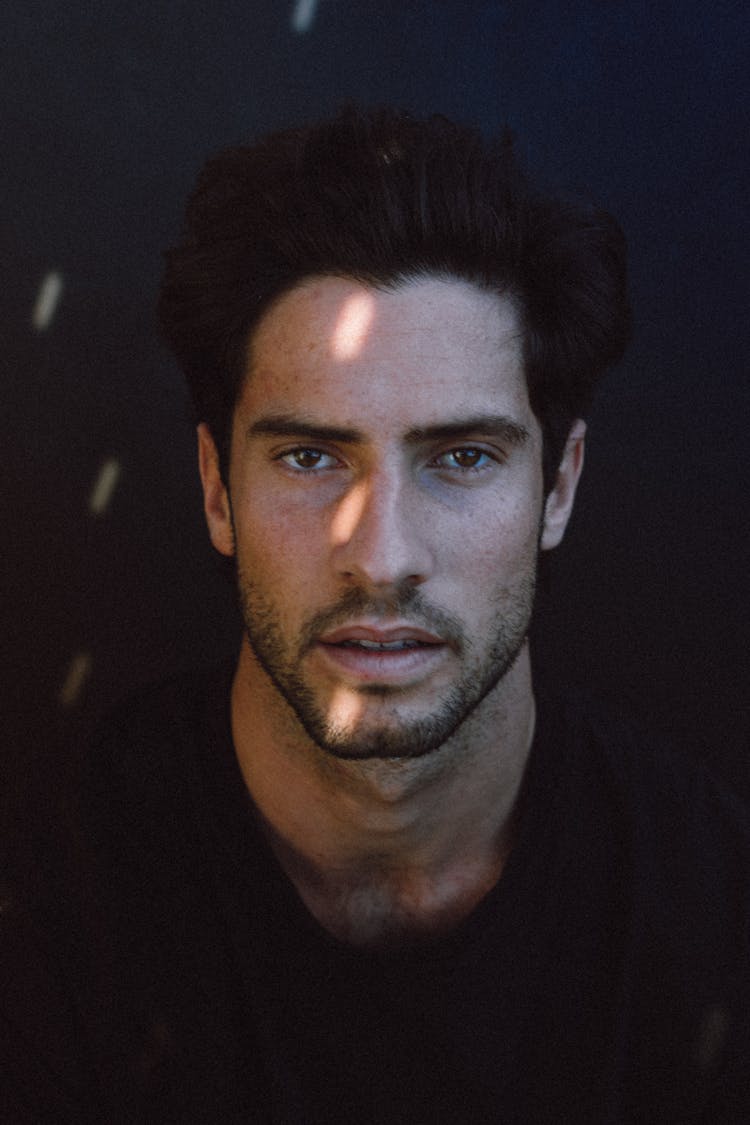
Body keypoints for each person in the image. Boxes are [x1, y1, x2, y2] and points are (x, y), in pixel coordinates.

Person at [3, 107, 748, 1123]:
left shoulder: (712, 912)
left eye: (463, 457)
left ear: (560, 489)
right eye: (311, 457)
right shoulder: (49, 914)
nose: (383, 557)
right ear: (217, 491)